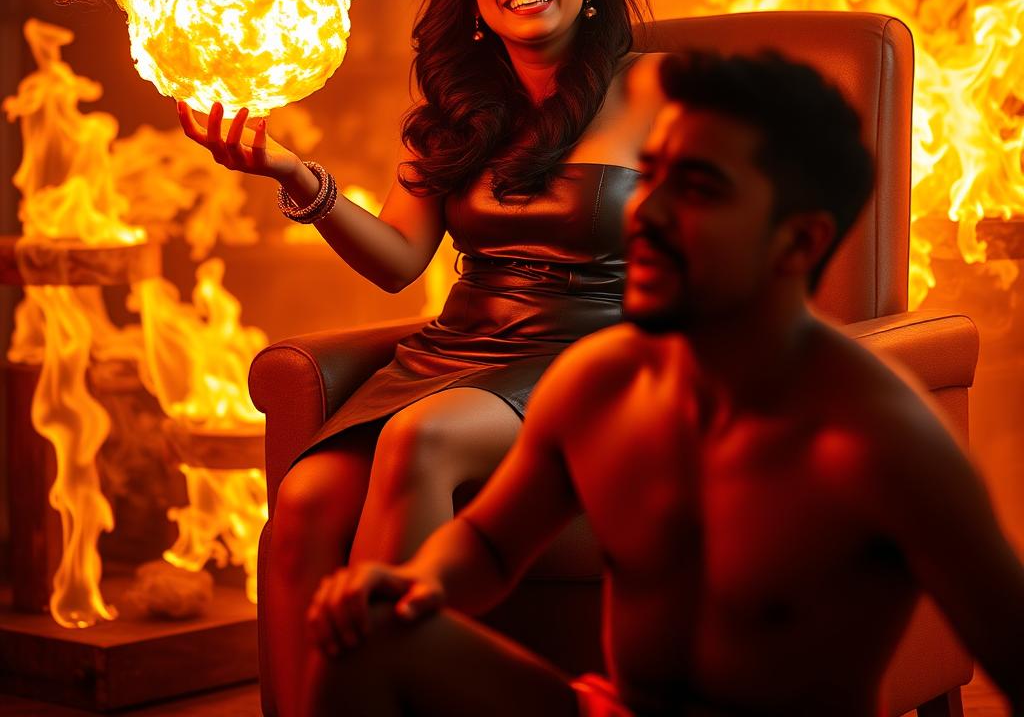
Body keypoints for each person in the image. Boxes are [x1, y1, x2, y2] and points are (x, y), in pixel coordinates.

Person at [301, 51, 1024, 717]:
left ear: (799, 240)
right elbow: (489, 547)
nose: (645, 212)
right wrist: (420, 579)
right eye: (651, 176)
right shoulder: (598, 383)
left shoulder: (874, 438)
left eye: (700, 189)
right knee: (368, 627)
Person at [177, 0, 667, 716]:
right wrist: (295, 175)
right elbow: (402, 258)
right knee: (302, 502)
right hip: (461, 345)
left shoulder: (659, 90)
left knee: (420, 439)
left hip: (594, 352)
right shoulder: (454, 113)